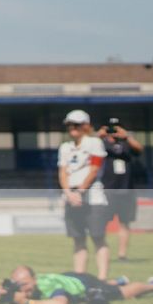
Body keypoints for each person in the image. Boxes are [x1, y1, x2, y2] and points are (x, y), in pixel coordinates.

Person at [0, 264, 153, 304]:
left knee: (122, 294)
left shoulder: (48, 285)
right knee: (109, 284)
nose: (23, 289)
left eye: (26, 284)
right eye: (19, 286)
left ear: (34, 279)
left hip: (83, 283)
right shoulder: (18, 289)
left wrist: (27, 303)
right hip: (69, 276)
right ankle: (116, 280)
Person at [57, 109, 110, 280]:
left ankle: (101, 280)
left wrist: (80, 191)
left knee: (97, 238)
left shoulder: (95, 143)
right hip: (72, 198)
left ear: (86, 126)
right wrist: (68, 193)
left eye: (77, 124)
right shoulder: (65, 147)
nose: (73, 128)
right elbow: (63, 172)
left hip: (93, 197)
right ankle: (80, 279)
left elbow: (94, 169)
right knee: (78, 239)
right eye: (70, 124)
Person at [98, 117, 144, 261]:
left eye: (116, 128)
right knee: (102, 222)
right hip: (107, 189)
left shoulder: (126, 143)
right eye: (111, 128)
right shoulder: (100, 144)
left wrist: (127, 136)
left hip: (126, 189)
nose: (113, 132)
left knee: (125, 222)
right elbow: (87, 149)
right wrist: (99, 136)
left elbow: (139, 149)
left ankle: (122, 254)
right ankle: (101, 250)